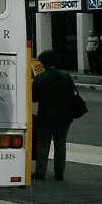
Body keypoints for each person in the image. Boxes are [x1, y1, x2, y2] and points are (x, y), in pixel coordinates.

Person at [32, 50, 77, 181]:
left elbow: (34, 97)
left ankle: (40, 172)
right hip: (64, 116)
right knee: (60, 143)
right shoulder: (65, 75)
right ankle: (59, 173)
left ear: (44, 63)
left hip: (46, 115)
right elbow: (72, 94)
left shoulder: (40, 78)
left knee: (43, 144)